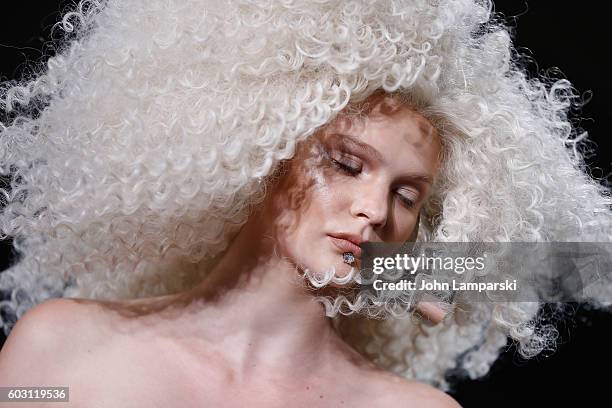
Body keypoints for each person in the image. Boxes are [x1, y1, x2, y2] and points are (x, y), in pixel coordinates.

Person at [0, 0, 610, 406]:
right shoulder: (61, 350)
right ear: (263, 149)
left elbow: (592, 267)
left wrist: (436, 272)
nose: (373, 208)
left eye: (407, 196)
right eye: (346, 163)